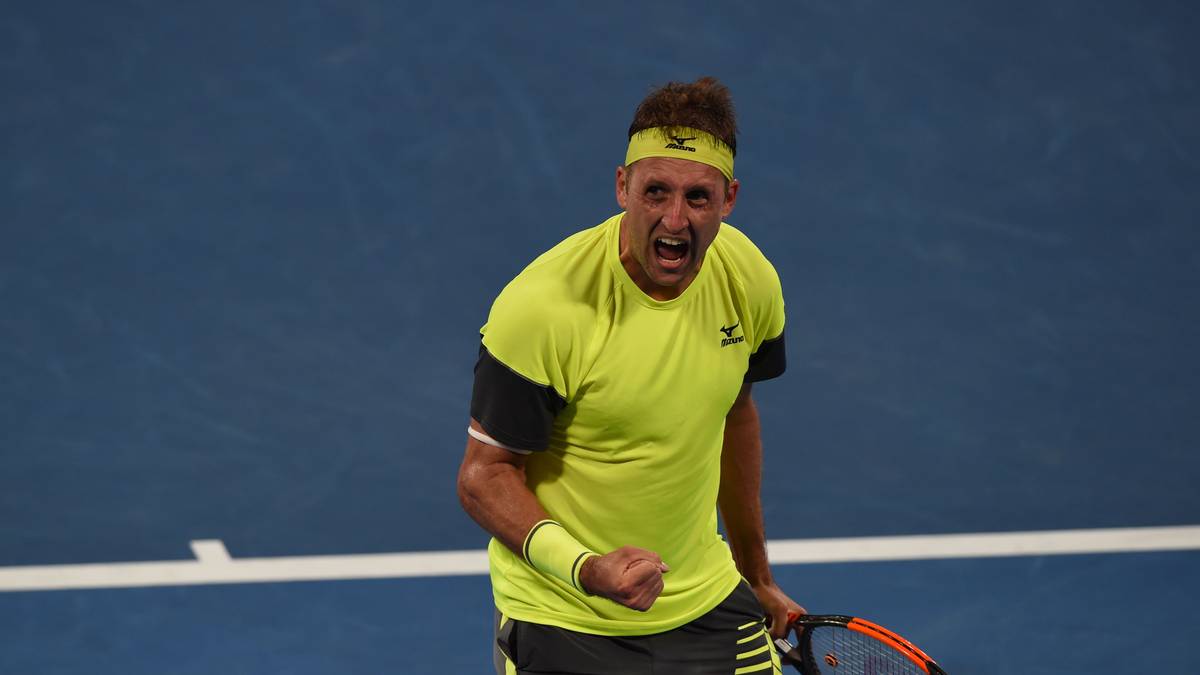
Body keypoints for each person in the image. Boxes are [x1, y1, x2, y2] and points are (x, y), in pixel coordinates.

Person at [457, 76, 804, 675]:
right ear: (623, 187)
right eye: (656, 192)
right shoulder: (542, 309)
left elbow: (733, 412)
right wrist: (587, 568)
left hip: (702, 599)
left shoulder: (750, 281)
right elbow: (483, 478)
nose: (675, 219)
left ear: (730, 200)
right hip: (565, 613)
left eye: (698, 198)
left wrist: (757, 575)